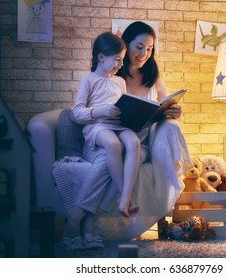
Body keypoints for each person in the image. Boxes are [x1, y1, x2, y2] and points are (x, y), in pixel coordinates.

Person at [60, 22, 191, 251]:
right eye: (139, 47)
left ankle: (85, 220)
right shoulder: (109, 72)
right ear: (124, 45)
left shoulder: (150, 76)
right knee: (107, 159)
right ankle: (86, 220)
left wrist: (174, 112)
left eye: (149, 49)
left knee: (127, 150)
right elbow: (81, 111)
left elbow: (165, 102)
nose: (144, 54)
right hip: (103, 136)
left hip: (131, 138)